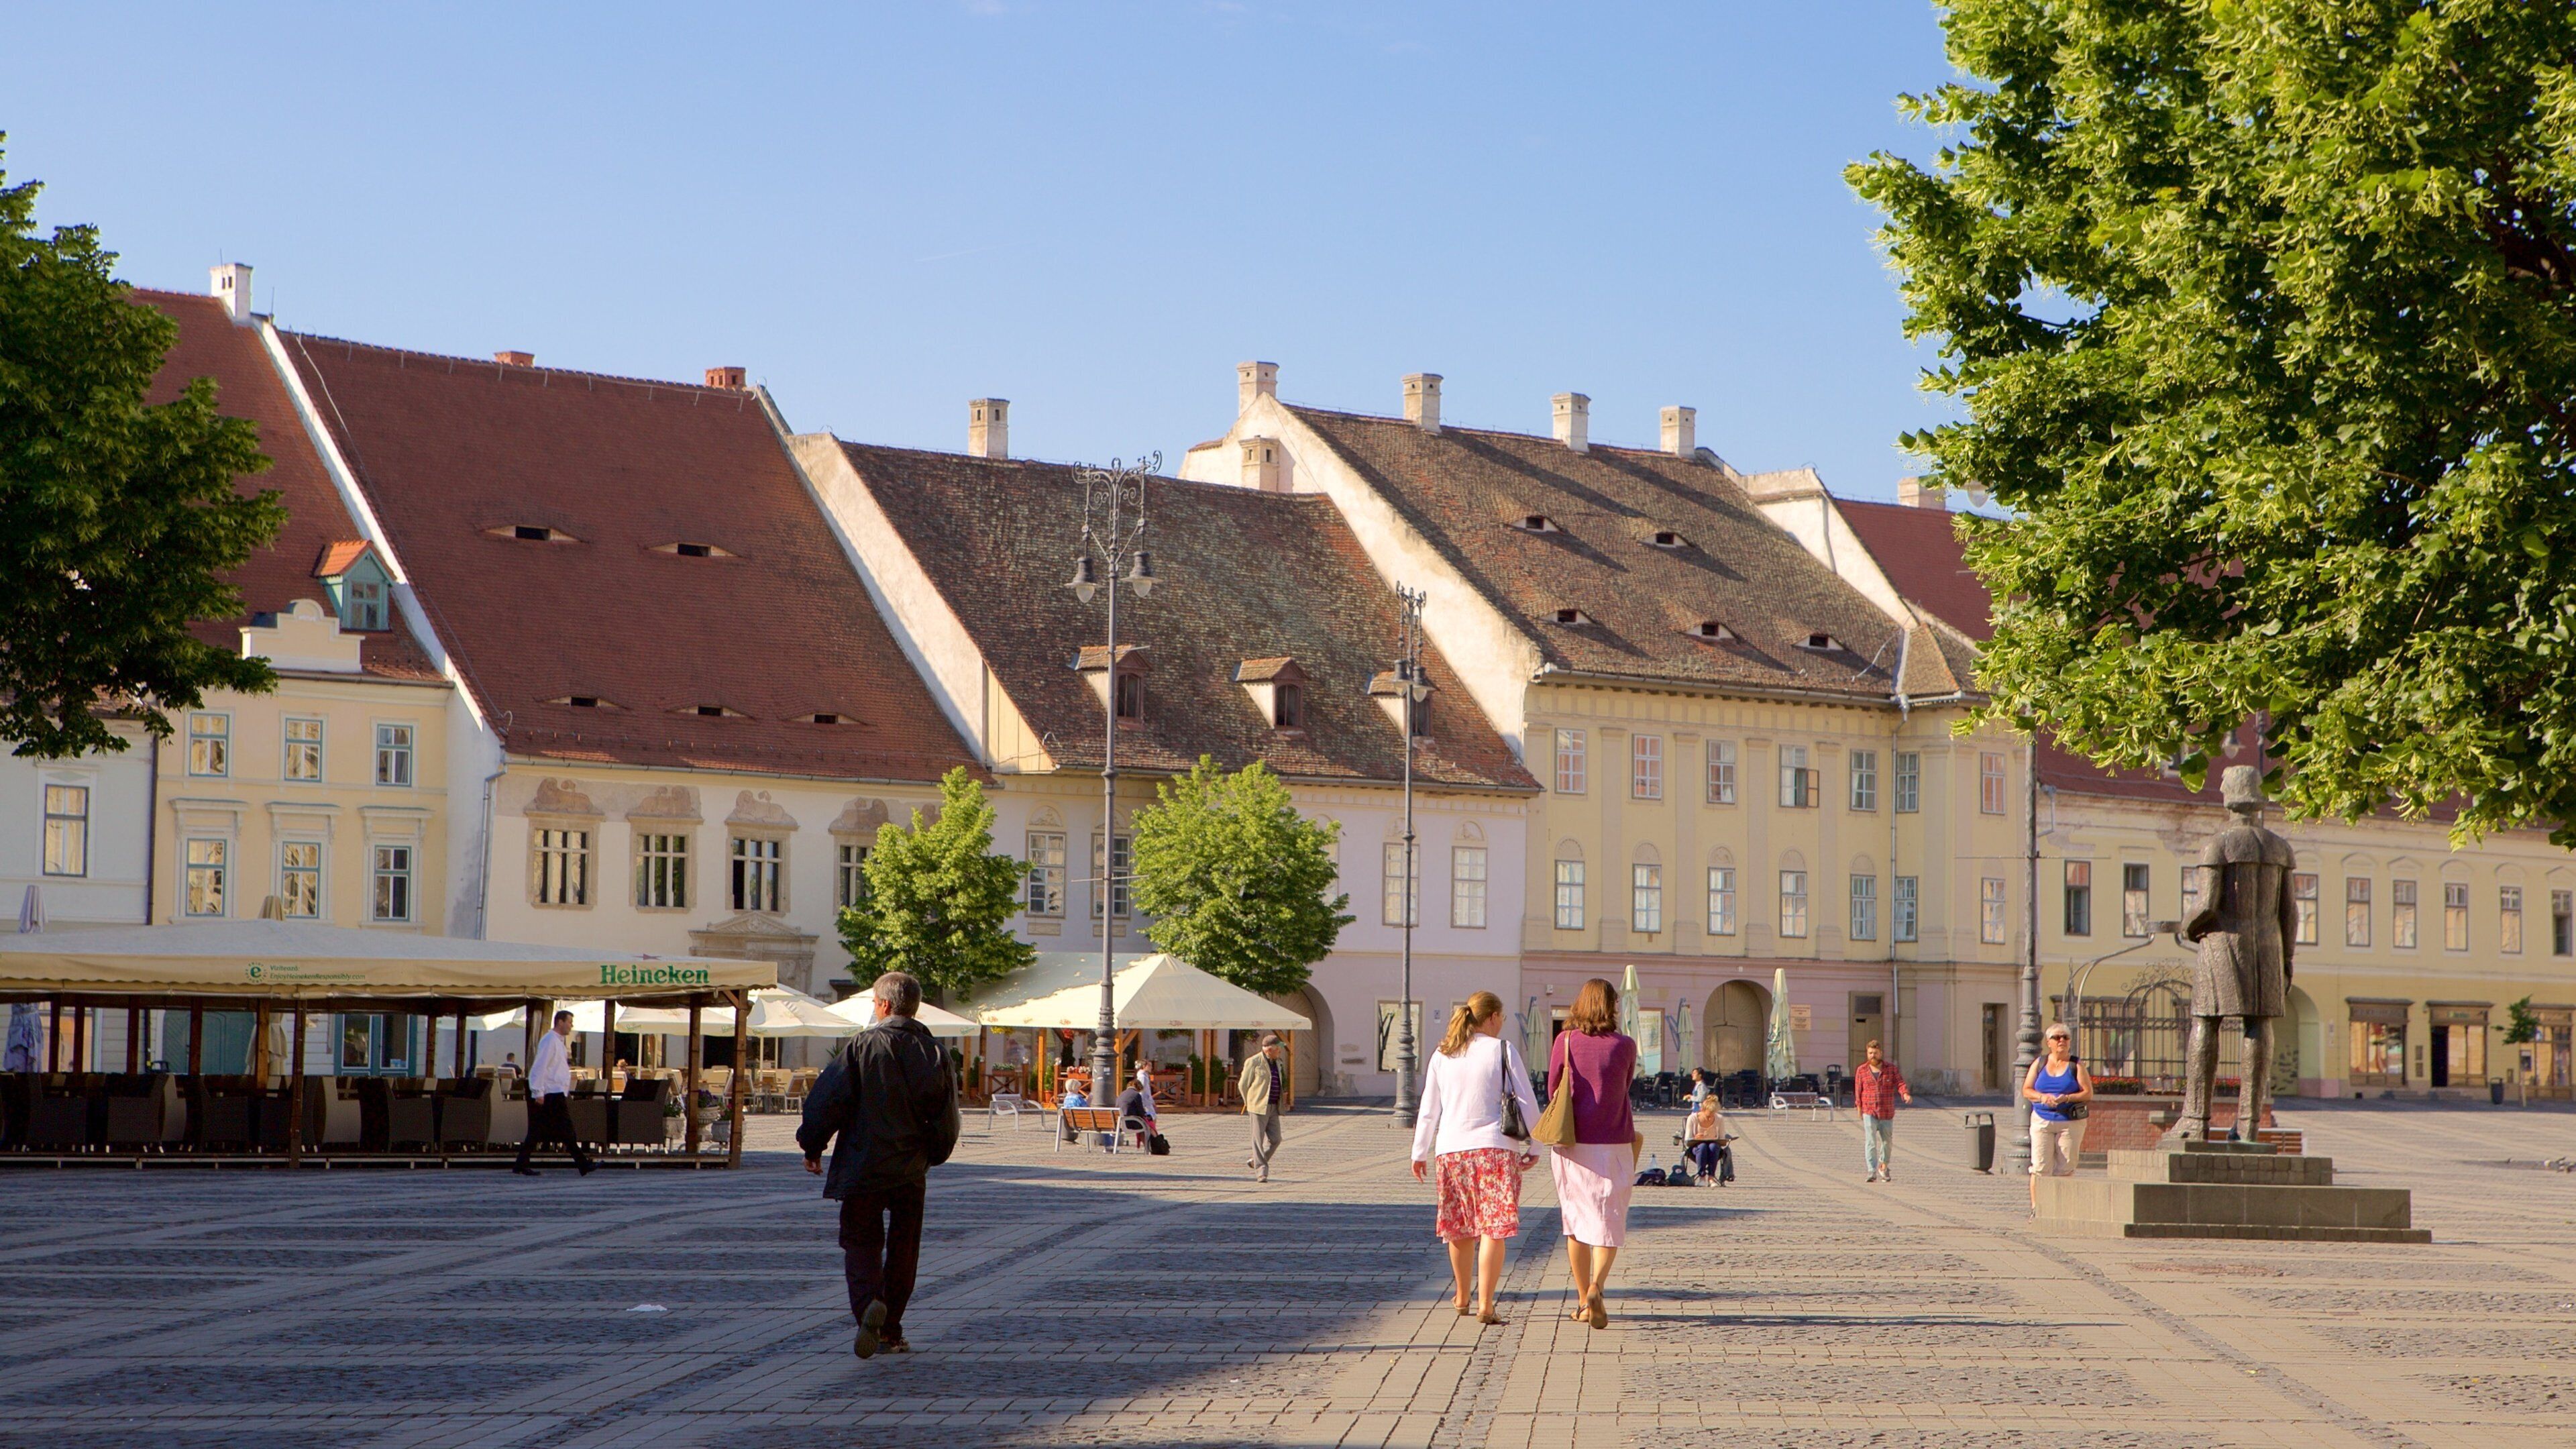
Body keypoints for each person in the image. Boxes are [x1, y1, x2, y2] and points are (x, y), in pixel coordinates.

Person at [798, 970, 961, 1360]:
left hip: (862, 1164)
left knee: (861, 1242)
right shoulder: (935, 1051)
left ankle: (870, 1303)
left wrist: (813, 1146)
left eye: (874, 1003)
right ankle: (891, 1330)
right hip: (910, 1168)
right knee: (905, 1248)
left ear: (884, 1005)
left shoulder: (860, 1046)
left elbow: (827, 1101)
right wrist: (933, 1154)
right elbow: (947, 1116)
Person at [1410, 991, 1540, 1325]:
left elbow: (1429, 1108)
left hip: (1451, 1150)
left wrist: (1419, 1151)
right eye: (1503, 1018)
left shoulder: (1443, 1054)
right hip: (1495, 1148)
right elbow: (1526, 1100)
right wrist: (1536, 1145)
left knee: (1459, 1228)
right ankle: (1486, 1303)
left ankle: (1462, 1296)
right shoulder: (1502, 1049)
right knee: (1493, 1229)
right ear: (1493, 1017)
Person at [1548, 977, 1638, 1330]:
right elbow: (1625, 1085)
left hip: (1573, 1143)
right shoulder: (1625, 1045)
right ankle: (1598, 1287)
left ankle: (1584, 1299)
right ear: (1612, 1006)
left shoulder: (1565, 1040)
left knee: (1576, 1224)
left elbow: (1555, 1086)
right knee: (1609, 1221)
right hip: (1615, 1141)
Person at [513, 1010, 594, 1177]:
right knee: (565, 1129)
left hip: (554, 1092)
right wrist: (538, 1092)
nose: (572, 1025)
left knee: (539, 1130)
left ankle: (521, 1164)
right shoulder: (550, 1041)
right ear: (560, 1022)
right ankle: (583, 1164)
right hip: (551, 1093)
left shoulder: (557, 1042)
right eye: (570, 1021)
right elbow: (540, 1066)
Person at [2023, 1022, 2094, 1208]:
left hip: (2069, 1122)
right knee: (2039, 1168)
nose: (2061, 1040)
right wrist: (2042, 1097)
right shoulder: (2039, 1064)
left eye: (2065, 1037)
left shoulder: (2076, 1065)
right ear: (2049, 1043)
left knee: (2065, 1169)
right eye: (2057, 1038)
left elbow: (2087, 1093)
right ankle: (2037, 1209)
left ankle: (2061, 1209)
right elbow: (2026, 1090)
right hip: (2042, 1120)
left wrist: (2068, 1097)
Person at [1855, 1038, 1913, 1183]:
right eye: (1870, 1053)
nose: (1872, 1056)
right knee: (1871, 1142)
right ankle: (1871, 1170)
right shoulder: (1861, 1070)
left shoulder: (1891, 1069)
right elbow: (1858, 1090)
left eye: (1875, 1053)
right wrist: (1859, 1107)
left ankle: (1883, 1165)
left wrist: (1905, 1093)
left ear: (1881, 1053)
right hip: (1869, 1110)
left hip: (1886, 1111)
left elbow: (1900, 1082)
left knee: (1887, 1142)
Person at [1239, 1033, 1287, 1183]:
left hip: (1273, 1106)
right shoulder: (1253, 1062)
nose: (1280, 1051)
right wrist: (1250, 1102)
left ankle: (1256, 1162)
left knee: (1276, 1139)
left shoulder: (1278, 1063)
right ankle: (1261, 1172)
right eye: (1278, 1049)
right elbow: (1243, 1085)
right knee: (1257, 1140)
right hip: (1258, 1107)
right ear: (1269, 1049)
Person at [1682, 1097, 1734, 1185]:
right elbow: (1687, 1140)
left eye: (1714, 1114)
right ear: (1703, 1110)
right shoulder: (1692, 1118)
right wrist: (1695, 1137)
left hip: (1714, 1149)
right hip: (1696, 1149)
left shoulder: (1719, 1118)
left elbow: (1722, 1138)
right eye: (1709, 1115)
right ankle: (1702, 1177)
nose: (1711, 1117)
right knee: (1702, 1146)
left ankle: (1711, 1178)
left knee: (1713, 1146)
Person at [1118, 1065, 1158, 1150]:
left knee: (1145, 1125)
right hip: (1130, 1122)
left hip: (1119, 1123)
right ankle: (1154, 1146)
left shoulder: (1122, 1094)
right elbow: (1141, 1112)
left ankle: (1149, 1147)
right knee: (1147, 1126)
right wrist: (1147, 1116)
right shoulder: (1136, 1095)